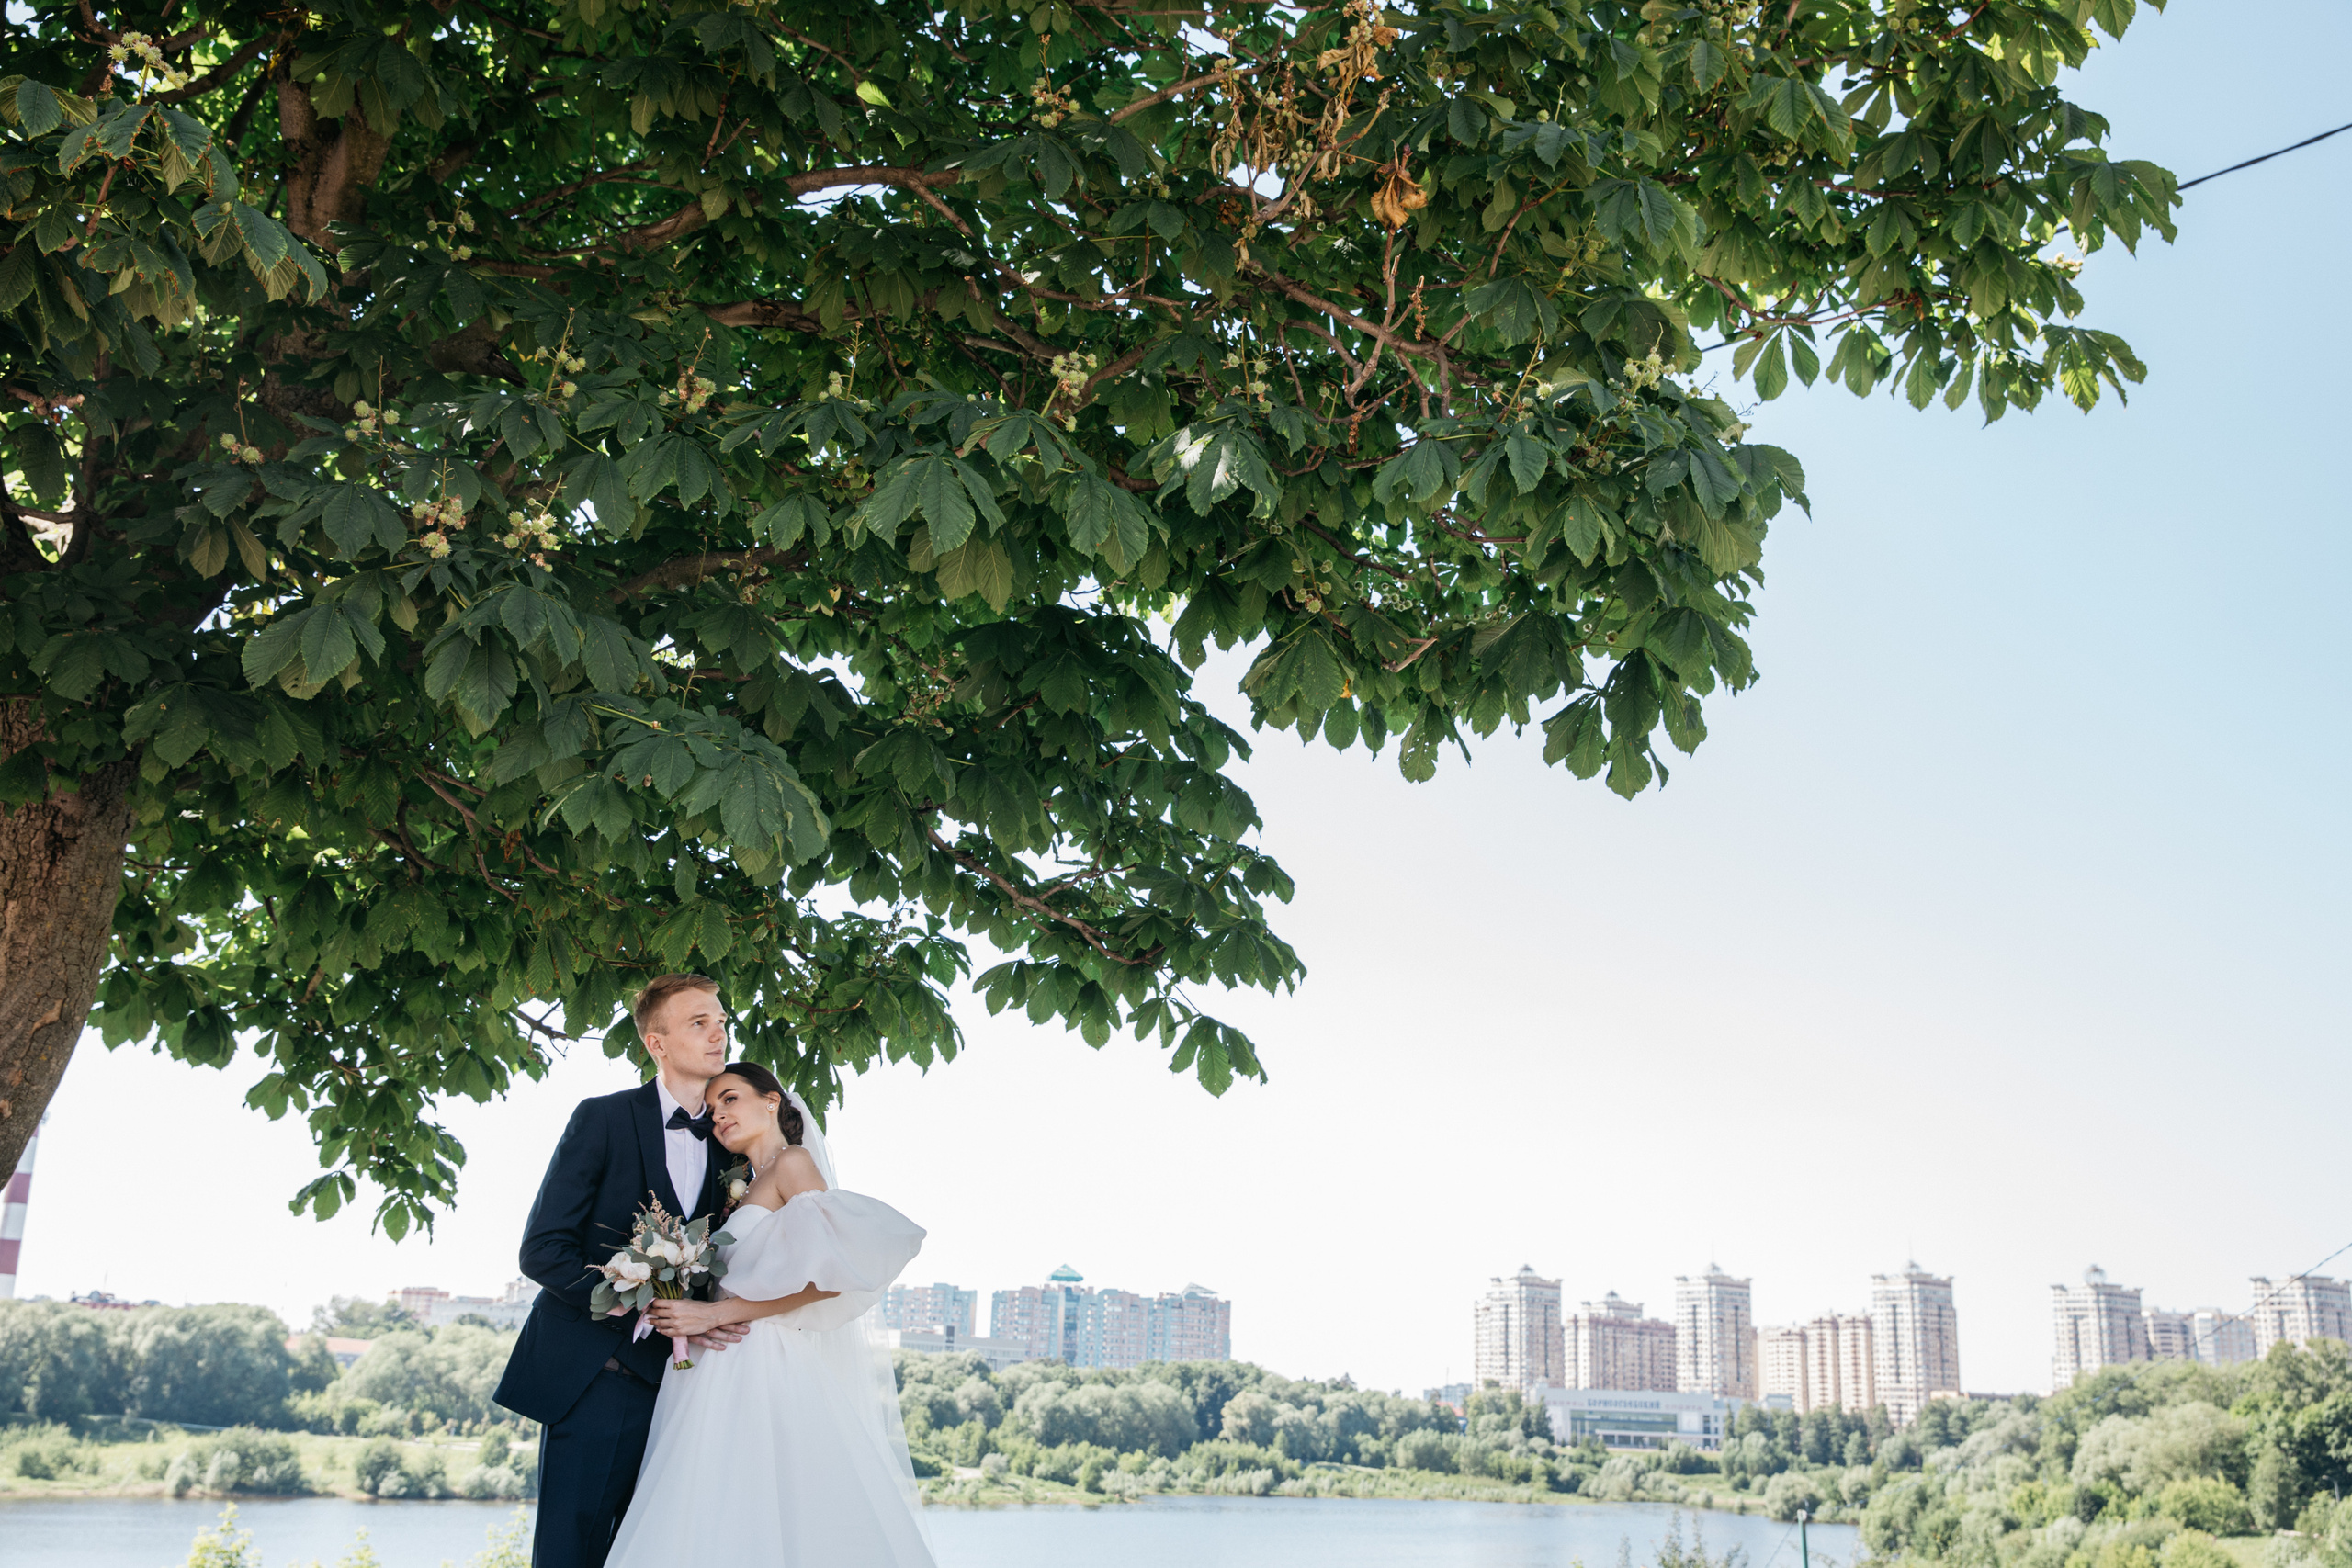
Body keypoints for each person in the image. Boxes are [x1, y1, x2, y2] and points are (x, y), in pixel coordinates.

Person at [492, 974, 777, 1568]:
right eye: (699, 1021)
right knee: (573, 1553)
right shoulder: (601, 1118)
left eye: (721, 1019)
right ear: (657, 1042)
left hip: (692, 1390)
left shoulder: (735, 1146)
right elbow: (542, 1249)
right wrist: (646, 1305)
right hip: (598, 1375)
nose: (718, 1031)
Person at [603, 1058, 933, 1568]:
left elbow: (830, 1281)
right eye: (712, 1110)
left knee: (759, 1503)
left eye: (730, 1099)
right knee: (708, 1507)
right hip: (718, 1363)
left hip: (761, 1362)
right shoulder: (739, 1190)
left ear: (772, 1100)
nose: (719, 1116)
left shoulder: (793, 1163)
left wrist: (715, 1314)